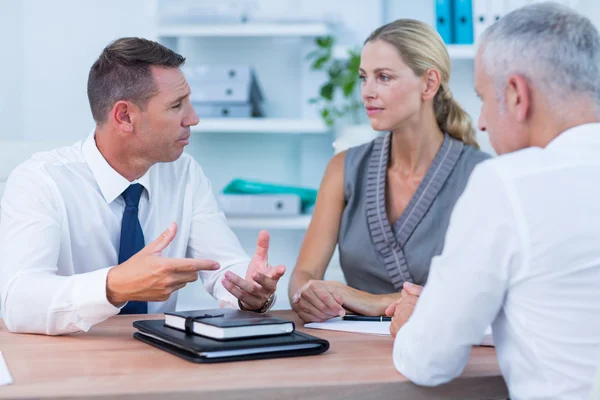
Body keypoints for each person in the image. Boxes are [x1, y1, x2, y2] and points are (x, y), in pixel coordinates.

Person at [0, 37, 285, 335]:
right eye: (176, 105)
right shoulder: (40, 181)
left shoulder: (184, 173)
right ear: (125, 117)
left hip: (160, 358)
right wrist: (114, 285)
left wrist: (250, 291)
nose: (193, 118)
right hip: (69, 361)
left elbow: (224, 267)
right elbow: (19, 301)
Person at [386, 3, 600, 399]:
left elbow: (430, 361)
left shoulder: (508, 182)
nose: (481, 122)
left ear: (517, 95)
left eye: (484, 98)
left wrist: (419, 321)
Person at [288, 19, 490, 322]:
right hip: (352, 351)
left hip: (444, 351)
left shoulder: (482, 176)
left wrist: (373, 301)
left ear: (429, 83)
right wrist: (307, 296)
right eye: (363, 77)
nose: (367, 91)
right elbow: (304, 274)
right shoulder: (343, 169)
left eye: (383, 77)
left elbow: (478, 291)